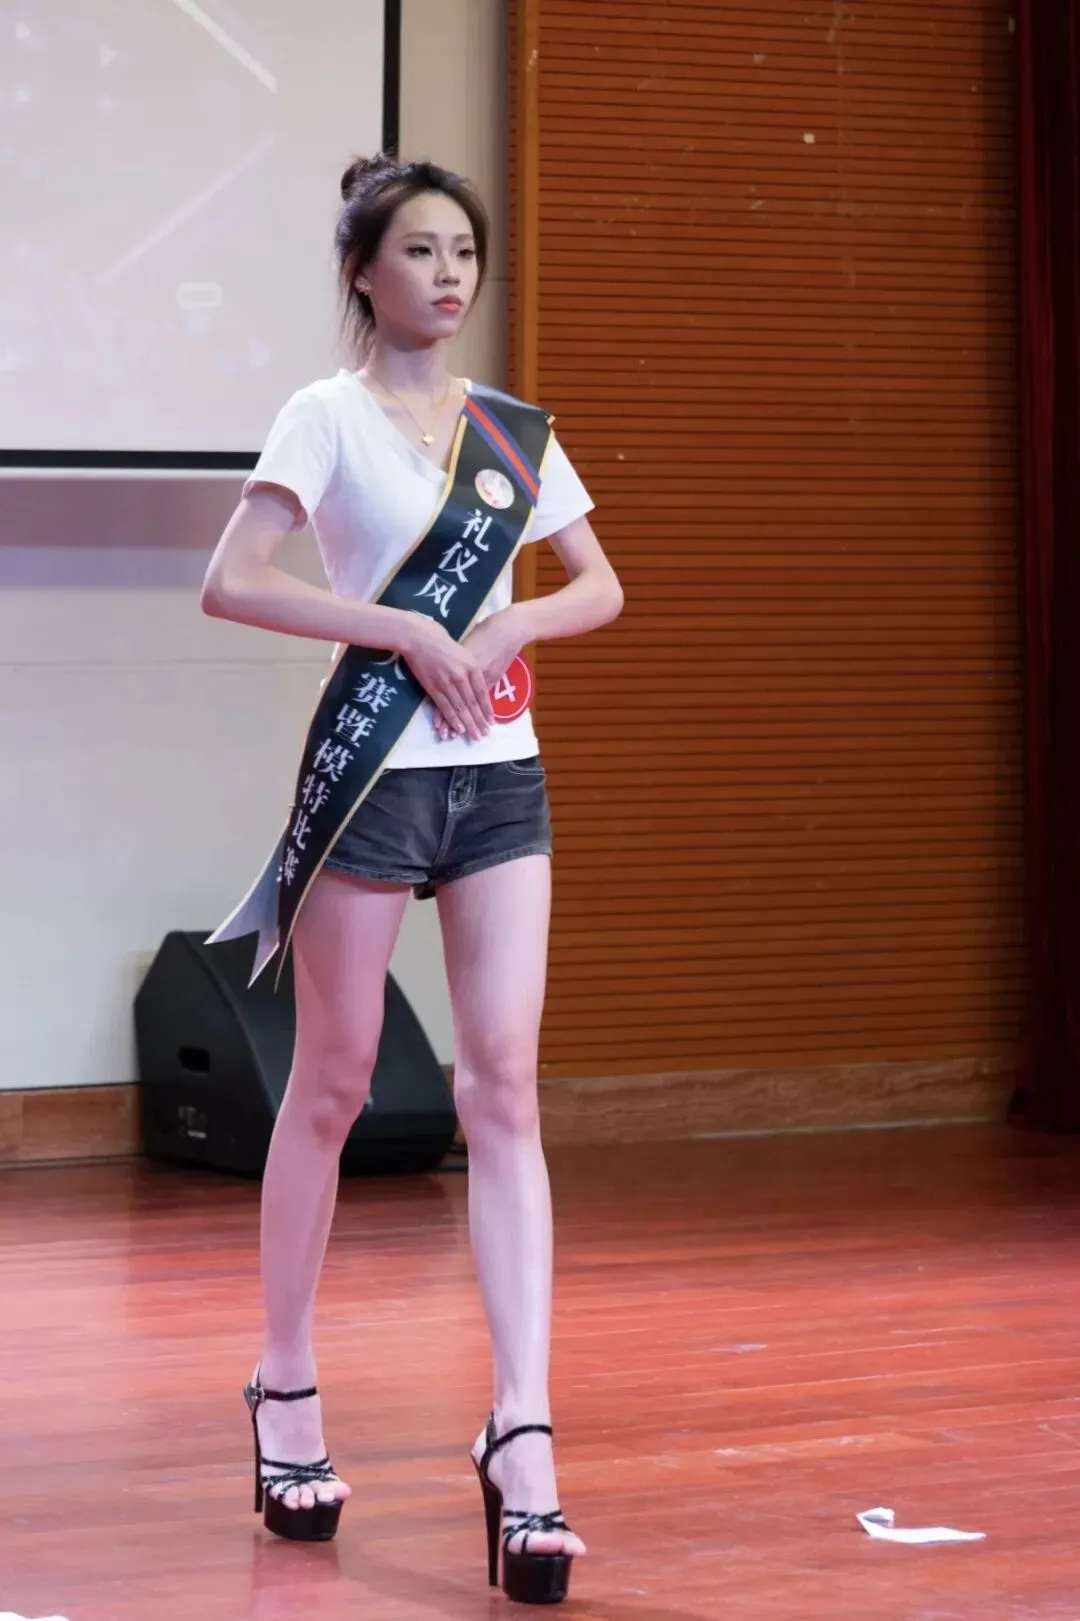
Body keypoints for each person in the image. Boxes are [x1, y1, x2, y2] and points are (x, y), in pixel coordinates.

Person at [199, 153, 623, 1605]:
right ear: (363, 273)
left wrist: (504, 631)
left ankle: (524, 1434)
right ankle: (286, 1387)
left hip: (500, 779)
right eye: (422, 252)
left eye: (464, 254)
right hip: (376, 781)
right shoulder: (324, 416)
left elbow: (598, 584)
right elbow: (234, 579)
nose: (449, 276)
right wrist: (402, 629)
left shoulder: (507, 432)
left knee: (503, 1089)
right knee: (331, 1081)